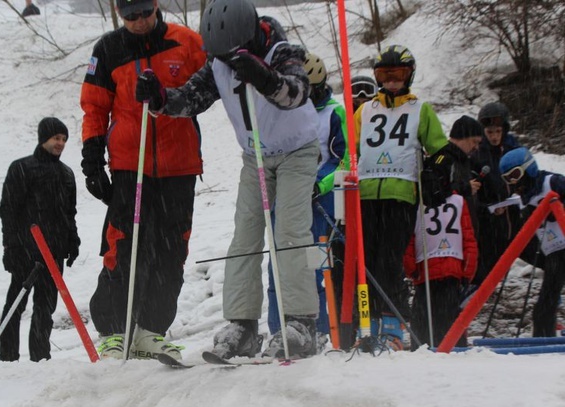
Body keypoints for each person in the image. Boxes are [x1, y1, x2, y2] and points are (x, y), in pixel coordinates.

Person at [137, 0, 323, 359]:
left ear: (250, 35)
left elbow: (297, 91)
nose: (223, 59)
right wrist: (159, 98)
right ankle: (243, 325)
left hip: (297, 151)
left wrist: (263, 75)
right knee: (245, 237)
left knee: (289, 233)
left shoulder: (281, 51)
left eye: (229, 53)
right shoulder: (220, 61)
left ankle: (301, 324)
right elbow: (191, 98)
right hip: (256, 157)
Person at [79, 0, 207, 360]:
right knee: (124, 247)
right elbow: (94, 106)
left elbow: (216, 80)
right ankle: (114, 330)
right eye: (129, 16)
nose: (138, 22)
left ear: (156, 8)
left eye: (144, 14)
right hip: (129, 165)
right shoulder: (108, 49)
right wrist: (92, 159)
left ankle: (152, 330)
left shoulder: (186, 42)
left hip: (179, 165)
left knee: (172, 251)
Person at [354, 45, 448, 347]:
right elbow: (348, 151)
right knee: (366, 262)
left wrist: (437, 170)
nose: (391, 82)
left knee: (389, 262)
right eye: (385, 76)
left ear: (409, 76)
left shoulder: (420, 109)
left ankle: (393, 329)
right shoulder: (365, 110)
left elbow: (440, 149)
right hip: (366, 194)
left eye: (398, 76)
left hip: (400, 195)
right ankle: (367, 328)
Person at [266, 53, 348, 342]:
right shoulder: (285, 111)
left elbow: (342, 159)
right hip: (283, 199)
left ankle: (320, 331)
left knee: (312, 267)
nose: (307, 96)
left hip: (316, 201)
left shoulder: (333, 114)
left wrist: (316, 185)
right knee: (278, 266)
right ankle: (279, 332)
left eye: (313, 89)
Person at [0, 117, 80, 362]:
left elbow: (69, 212)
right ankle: (8, 356)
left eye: (64, 139)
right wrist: (10, 246)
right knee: (16, 304)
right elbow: (8, 210)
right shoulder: (21, 167)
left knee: (45, 308)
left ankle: (40, 357)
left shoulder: (66, 174)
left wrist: (72, 240)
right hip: (25, 249)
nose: (61, 143)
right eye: (56, 138)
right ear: (44, 138)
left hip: (54, 251)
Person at [499, 148, 565, 337]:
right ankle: (543, 341)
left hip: (561, 248)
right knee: (544, 307)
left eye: (515, 175)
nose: (514, 183)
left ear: (529, 169)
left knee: (546, 304)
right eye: (507, 179)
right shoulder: (523, 199)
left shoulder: (551, 182)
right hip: (553, 253)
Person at [404, 186, 478, 350]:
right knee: (450, 327)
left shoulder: (415, 202)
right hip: (450, 271)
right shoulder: (459, 201)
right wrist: (468, 271)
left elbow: (408, 238)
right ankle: (454, 352)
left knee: (421, 329)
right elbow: (469, 238)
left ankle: (422, 352)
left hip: (424, 272)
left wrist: (410, 269)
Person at [472, 101, 522, 283]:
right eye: (490, 132)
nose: (494, 136)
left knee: (541, 255)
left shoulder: (515, 149)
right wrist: (488, 208)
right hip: (491, 222)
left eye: (498, 131)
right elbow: (472, 191)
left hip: (517, 216)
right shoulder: (477, 154)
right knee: (487, 268)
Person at [426, 115, 484, 232]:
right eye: (474, 142)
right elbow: (433, 192)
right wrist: (465, 188)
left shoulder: (464, 160)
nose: (476, 147)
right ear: (462, 136)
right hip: (447, 233)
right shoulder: (443, 159)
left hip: (463, 229)